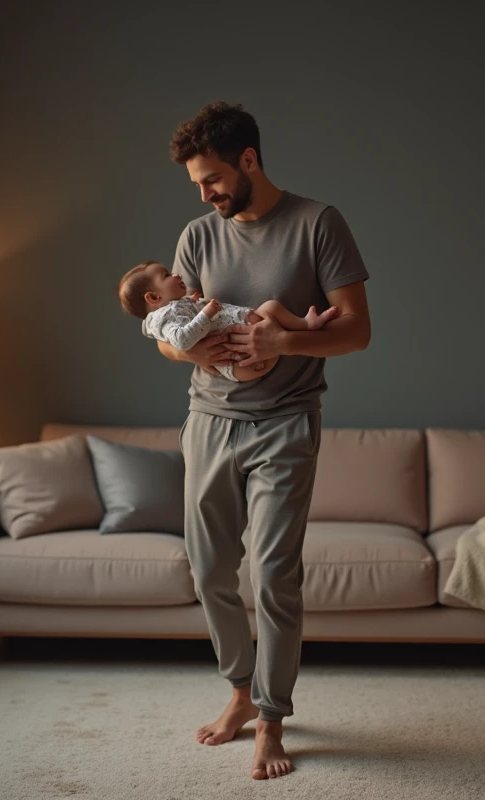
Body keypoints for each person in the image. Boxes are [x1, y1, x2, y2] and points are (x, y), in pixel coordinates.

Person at [158, 101, 371, 780]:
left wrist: (284, 340)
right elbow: (170, 335)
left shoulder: (318, 224)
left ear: (249, 160)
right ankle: (240, 694)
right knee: (210, 570)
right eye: (196, 183)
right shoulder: (197, 235)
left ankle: (272, 719)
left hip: (286, 421)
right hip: (209, 421)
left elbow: (359, 331)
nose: (205, 193)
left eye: (213, 178)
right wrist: (204, 355)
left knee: (274, 573)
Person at [118, 259, 340, 381]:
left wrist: (196, 304)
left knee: (271, 307)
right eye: (166, 275)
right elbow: (181, 340)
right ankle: (301, 328)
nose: (175, 275)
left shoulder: (178, 304)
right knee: (270, 310)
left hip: (254, 351)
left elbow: (189, 316)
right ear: (154, 297)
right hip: (238, 365)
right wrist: (205, 313)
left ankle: (305, 325)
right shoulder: (163, 319)